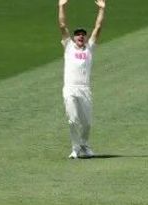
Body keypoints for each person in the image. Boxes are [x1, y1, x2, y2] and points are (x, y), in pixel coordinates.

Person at [58, 0, 106, 159]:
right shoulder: (68, 46)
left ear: (85, 37)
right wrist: (61, 6)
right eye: (78, 34)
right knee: (72, 120)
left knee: (87, 123)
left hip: (84, 89)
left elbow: (98, 28)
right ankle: (75, 148)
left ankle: (84, 145)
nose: (80, 36)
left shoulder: (89, 48)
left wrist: (101, 9)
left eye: (82, 34)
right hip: (70, 88)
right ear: (73, 37)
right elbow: (62, 25)